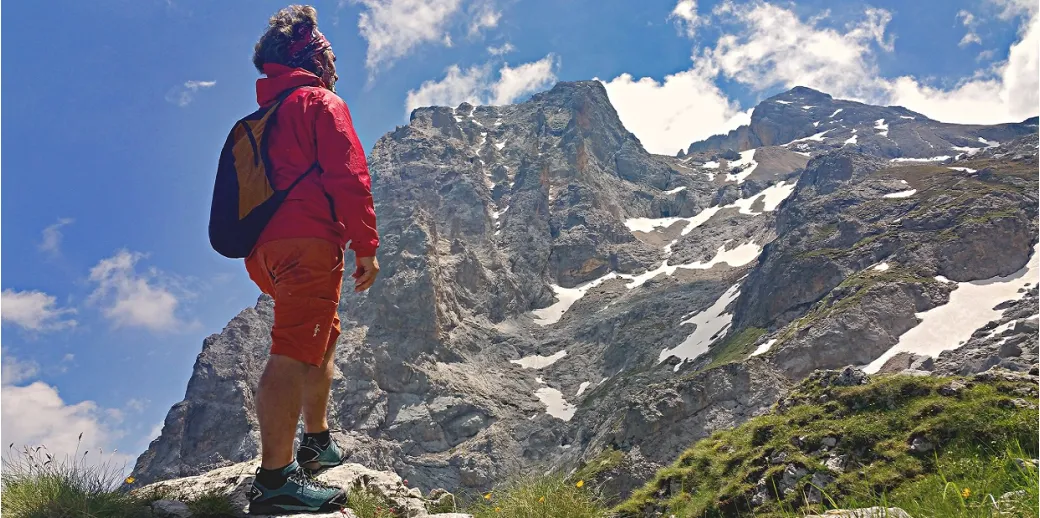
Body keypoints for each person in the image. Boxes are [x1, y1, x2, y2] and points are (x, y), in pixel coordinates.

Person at [243, 5, 379, 514]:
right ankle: (275, 482)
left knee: (321, 332)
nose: (335, 64)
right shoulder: (320, 102)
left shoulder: (263, 116)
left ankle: (317, 441)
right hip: (308, 241)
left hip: (265, 249)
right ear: (312, 56)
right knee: (294, 349)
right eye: (329, 53)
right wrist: (366, 245)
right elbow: (349, 176)